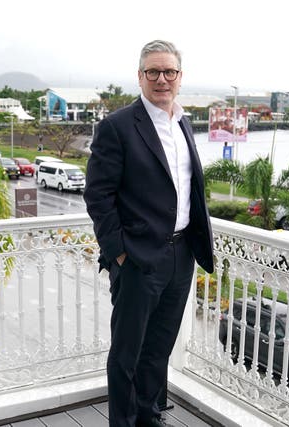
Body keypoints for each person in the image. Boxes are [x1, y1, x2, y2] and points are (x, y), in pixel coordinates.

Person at [83, 40, 214, 427]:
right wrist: (119, 251)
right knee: (127, 353)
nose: (161, 79)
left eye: (169, 72)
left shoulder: (183, 122)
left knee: (159, 347)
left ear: (179, 77)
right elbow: (97, 195)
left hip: (180, 256)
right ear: (140, 77)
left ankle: (148, 414)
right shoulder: (117, 127)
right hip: (138, 259)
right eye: (153, 72)